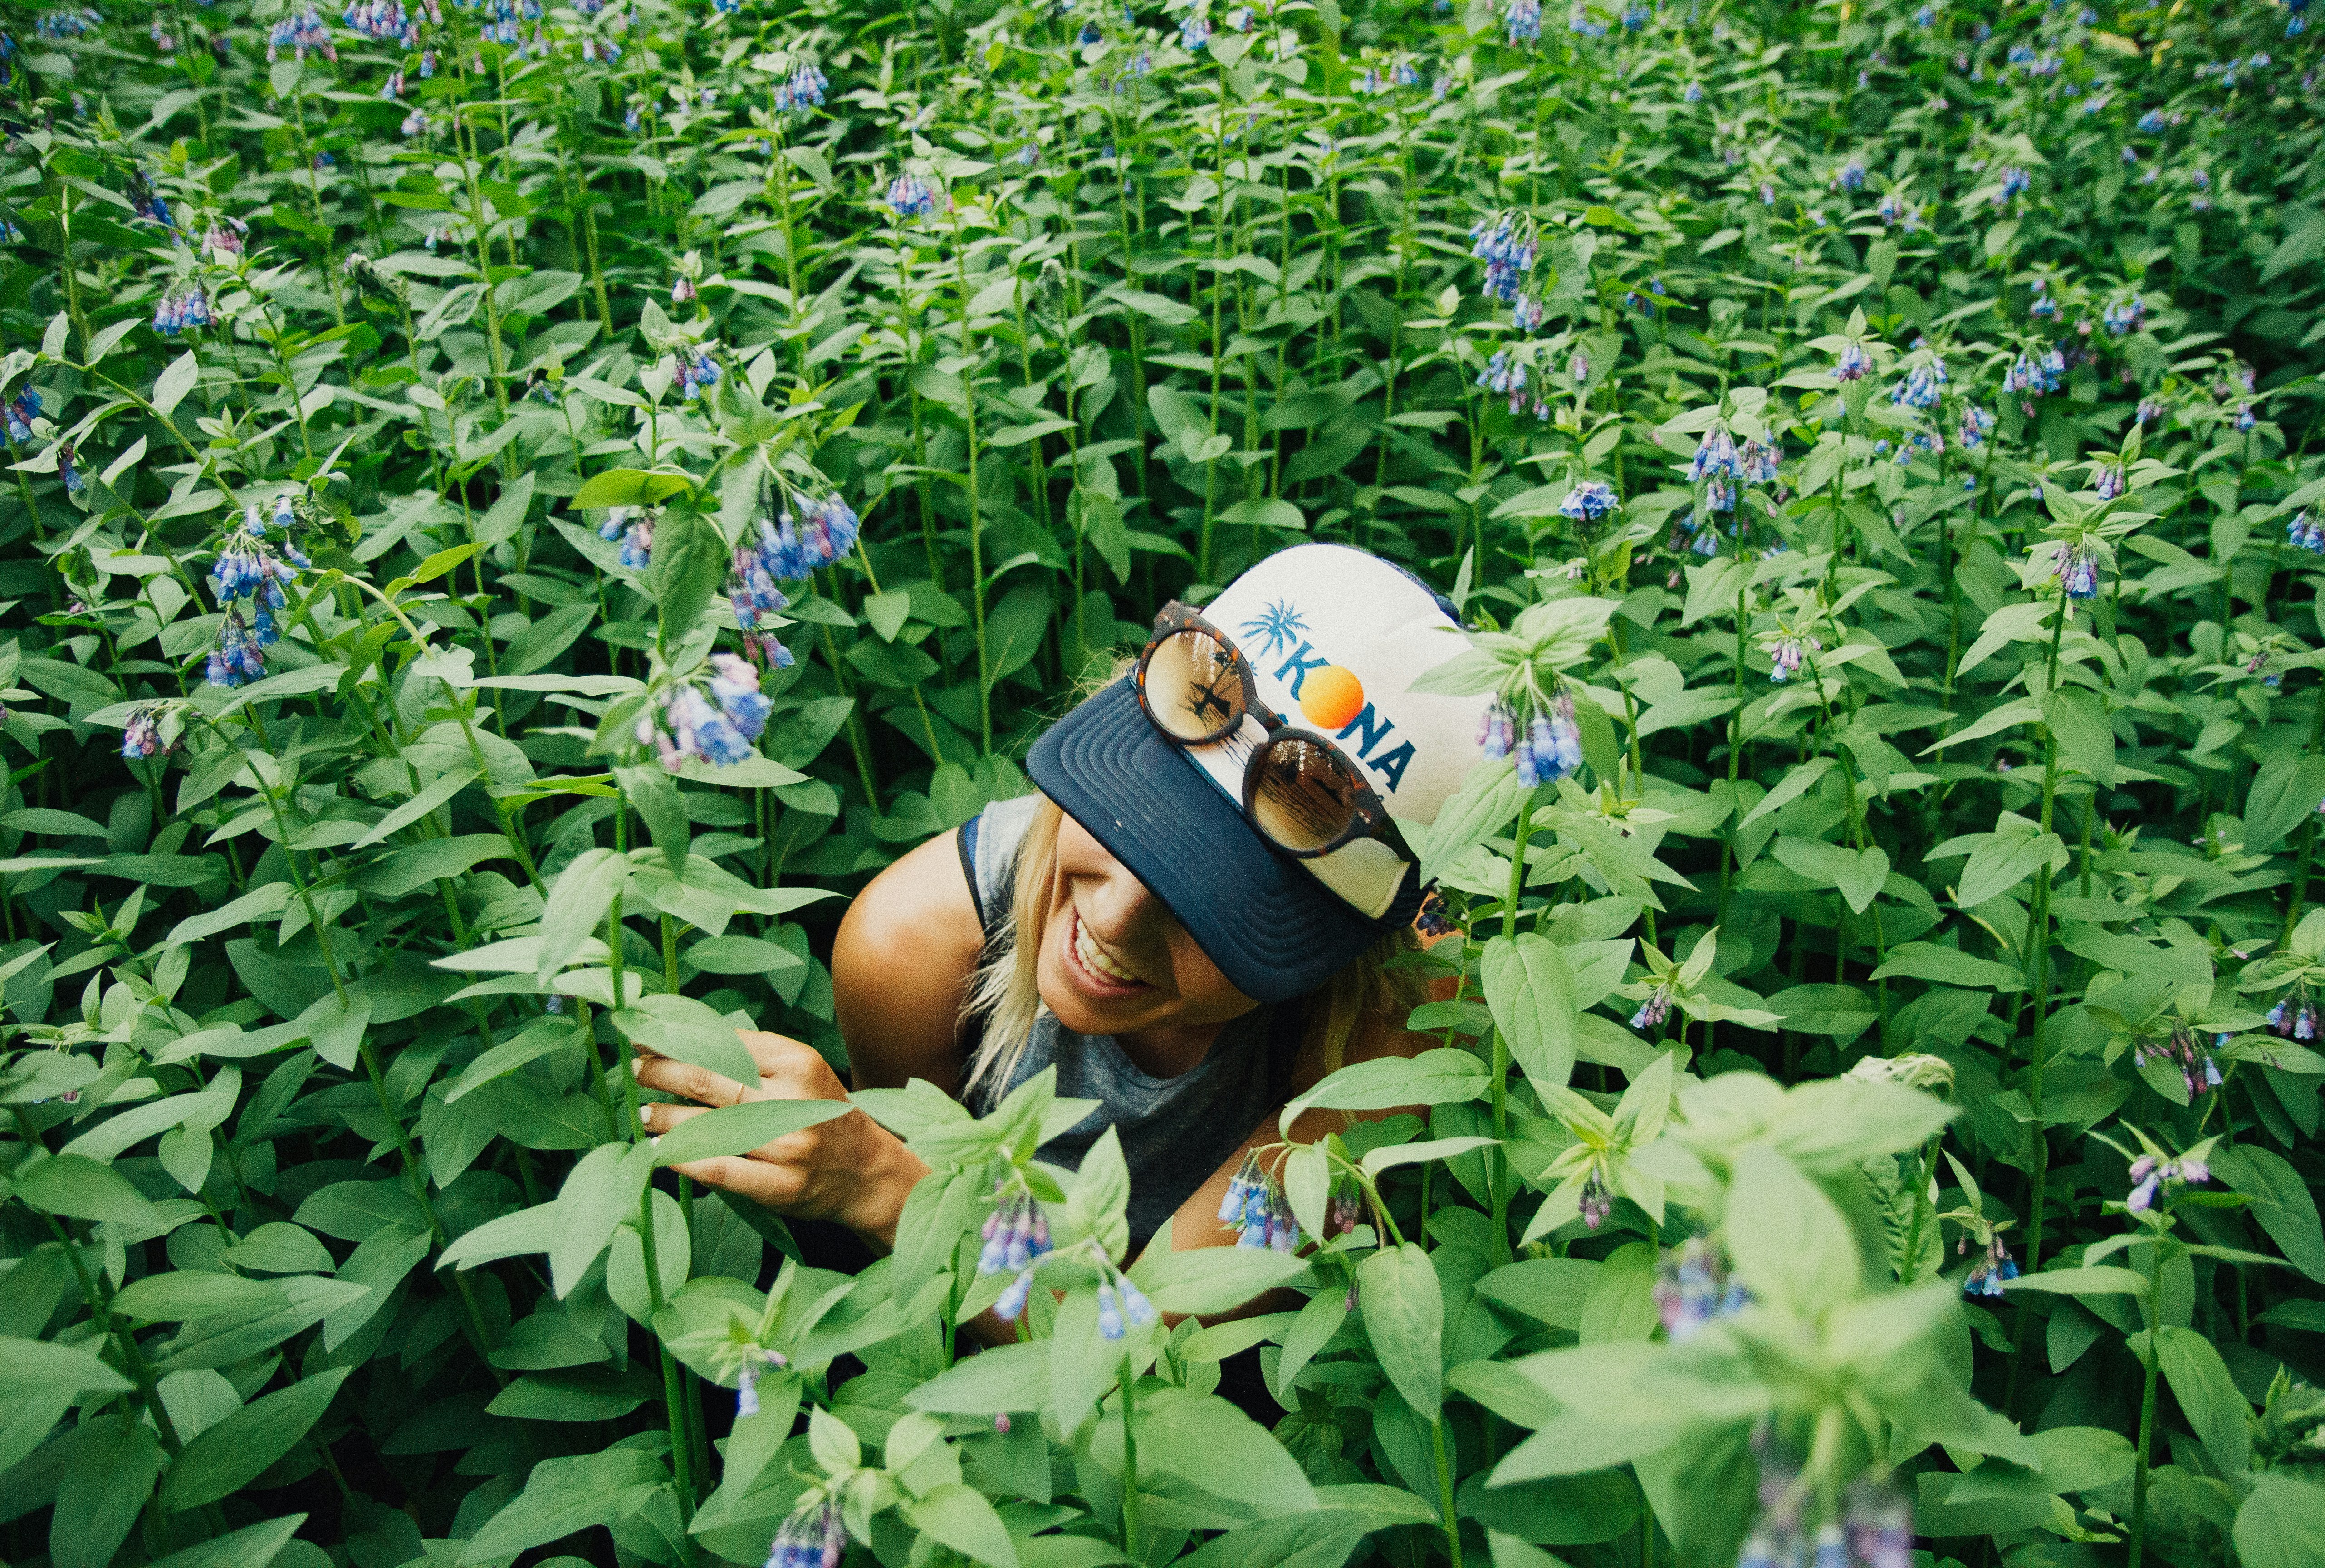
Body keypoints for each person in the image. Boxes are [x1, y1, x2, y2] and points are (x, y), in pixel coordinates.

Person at [632, 544, 1493, 1306]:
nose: (1110, 919)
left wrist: (880, 1185)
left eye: (1213, 904)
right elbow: (914, 1302)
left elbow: (1148, 1357)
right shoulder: (908, 946)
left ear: (1341, 948)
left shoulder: (1396, 1027)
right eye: (1128, 814)